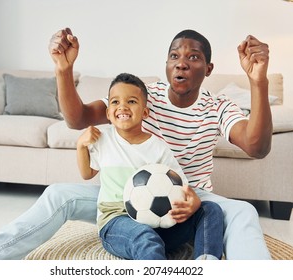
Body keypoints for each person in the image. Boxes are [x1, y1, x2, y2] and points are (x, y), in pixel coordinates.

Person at [0, 27, 272, 260]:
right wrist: (64, 69)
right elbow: (79, 118)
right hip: (122, 194)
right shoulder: (141, 96)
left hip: (190, 198)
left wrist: (258, 81)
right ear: (166, 64)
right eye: (173, 56)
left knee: (242, 210)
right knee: (58, 193)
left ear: (208, 68)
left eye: (193, 57)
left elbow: (257, 147)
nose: (182, 61)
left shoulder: (219, 107)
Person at [77, 72, 223, 260]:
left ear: (145, 112)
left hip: (159, 225)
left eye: (131, 101)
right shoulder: (103, 140)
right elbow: (87, 173)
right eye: (115, 102)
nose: (122, 106)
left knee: (210, 209)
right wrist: (81, 145)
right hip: (116, 222)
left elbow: (182, 185)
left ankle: (207, 262)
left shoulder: (158, 147)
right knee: (145, 237)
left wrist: (193, 202)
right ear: (108, 113)